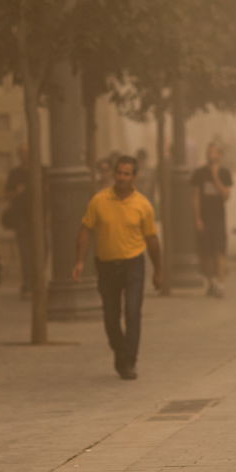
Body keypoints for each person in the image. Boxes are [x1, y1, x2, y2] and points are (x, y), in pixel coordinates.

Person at [73, 155, 163, 380]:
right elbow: (86, 230)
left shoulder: (143, 205)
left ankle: (129, 361)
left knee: (132, 313)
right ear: (114, 174)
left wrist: (159, 270)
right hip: (105, 265)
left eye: (127, 174)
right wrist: (80, 261)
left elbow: (152, 239)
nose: (122, 177)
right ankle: (120, 352)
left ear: (134, 176)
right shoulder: (99, 201)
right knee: (111, 316)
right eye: (119, 173)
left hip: (133, 264)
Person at [190, 142, 233, 298]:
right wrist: (197, 219)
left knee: (220, 252)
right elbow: (195, 197)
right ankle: (211, 281)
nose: (210, 156)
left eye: (214, 153)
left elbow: (226, 196)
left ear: (220, 156)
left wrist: (215, 177)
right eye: (209, 152)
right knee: (205, 253)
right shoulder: (199, 173)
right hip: (204, 218)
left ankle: (220, 284)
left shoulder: (225, 173)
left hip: (219, 218)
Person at [3, 145, 34, 296]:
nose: (24, 157)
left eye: (27, 154)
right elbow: (7, 194)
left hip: (38, 219)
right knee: (25, 253)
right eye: (22, 154)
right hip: (21, 219)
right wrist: (16, 192)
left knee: (42, 251)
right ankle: (28, 284)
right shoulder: (14, 174)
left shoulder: (40, 170)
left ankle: (36, 281)